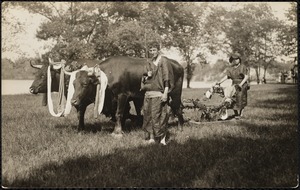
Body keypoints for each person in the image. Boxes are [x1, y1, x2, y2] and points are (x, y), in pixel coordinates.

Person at [140, 42, 174, 145]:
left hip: (159, 92)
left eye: (154, 50)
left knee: (160, 115)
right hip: (149, 93)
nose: (152, 52)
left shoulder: (163, 61)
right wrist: (147, 75)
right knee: (148, 115)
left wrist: (166, 93)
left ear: (158, 50)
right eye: (150, 50)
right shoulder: (149, 62)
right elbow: (143, 78)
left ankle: (162, 139)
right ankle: (152, 138)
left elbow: (166, 77)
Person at [215, 53, 249, 119]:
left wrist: (241, 84)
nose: (235, 60)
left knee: (241, 99)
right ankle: (236, 114)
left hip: (242, 84)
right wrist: (219, 82)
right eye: (234, 59)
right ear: (232, 60)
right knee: (232, 99)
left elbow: (246, 77)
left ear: (239, 59)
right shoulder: (231, 69)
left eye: (237, 59)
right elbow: (227, 77)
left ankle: (241, 114)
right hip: (234, 84)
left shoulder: (243, 67)